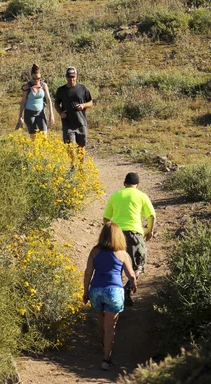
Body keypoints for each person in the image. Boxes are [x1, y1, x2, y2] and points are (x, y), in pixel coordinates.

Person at [83, 222, 137, 371]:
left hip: (96, 290)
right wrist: (134, 285)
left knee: (101, 323)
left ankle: (103, 344)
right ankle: (106, 358)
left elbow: (88, 272)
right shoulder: (122, 253)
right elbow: (131, 274)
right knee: (110, 328)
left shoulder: (94, 251)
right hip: (114, 291)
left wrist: (85, 291)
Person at [103, 172, 156, 306]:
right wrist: (149, 231)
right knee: (139, 265)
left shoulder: (115, 196)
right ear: (137, 185)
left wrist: (110, 232)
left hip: (117, 234)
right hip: (135, 234)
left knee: (117, 265)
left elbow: (106, 219)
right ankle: (127, 289)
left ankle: (115, 293)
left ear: (124, 183)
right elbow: (152, 216)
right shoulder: (142, 196)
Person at [54, 67, 93, 151]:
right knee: (69, 147)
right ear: (66, 77)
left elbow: (90, 102)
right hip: (67, 124)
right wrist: (60, 113)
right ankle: (72, 164)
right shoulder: (61, 90)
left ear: (76, 76)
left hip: (81, 122)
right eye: (69, 77)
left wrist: (83, 105)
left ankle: (80, 164)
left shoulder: (83, 89)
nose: (71, 79)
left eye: (73, 77)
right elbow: (56, 103)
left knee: (81, 147)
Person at [17, 64, 54, 138]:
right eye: (34, 79)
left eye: (38, 78)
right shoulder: (27, 87)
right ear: (31, 77)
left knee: (44, 136)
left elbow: (48, 99)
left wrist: (51, 114)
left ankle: (43, 149)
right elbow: (23, 101)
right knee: (33, 137)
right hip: (30, 113)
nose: (36, 80)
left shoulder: (44, 85)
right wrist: (20, 116)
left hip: (41, 112)